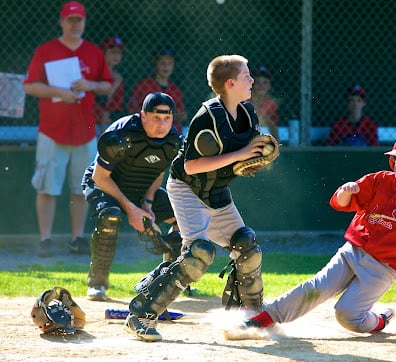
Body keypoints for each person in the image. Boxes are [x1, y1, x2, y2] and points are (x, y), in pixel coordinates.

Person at [242, 132, 396, 334]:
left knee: (346, 315)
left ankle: (380, 320)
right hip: (352, 252)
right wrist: (346, 191)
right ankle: (265, 318)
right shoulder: (379, 180)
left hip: (383, 269)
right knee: (317, 287)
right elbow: (341, 203)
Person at [124, 54, 268, 342]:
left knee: (246, 246)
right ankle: (140, 315)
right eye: (246, 76)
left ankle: (246, 317)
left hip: (216, 191)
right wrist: (240, 155)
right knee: (198, 253)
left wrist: (255, 159)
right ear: (230, 83)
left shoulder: (247, 113)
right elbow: (191, 166)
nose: (251, 80)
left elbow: (240, 159)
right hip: (187, 188)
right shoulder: (209, 116)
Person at [23, 1, 113, 258]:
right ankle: (46, 239)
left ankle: (77, 238)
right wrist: (59, 92)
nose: (75, 25)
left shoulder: (94, 52)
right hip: (52, 130)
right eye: (70, 20)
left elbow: (107, 85)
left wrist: (90, 84)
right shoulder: (46, 50)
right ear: (61, 22)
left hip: (84, 131)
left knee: (81, 187)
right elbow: (30, 86)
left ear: (84, 23)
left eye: (79, 20)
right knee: (47, 186)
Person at [81, 92, 182, 301]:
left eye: (167, 118)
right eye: (156, 118)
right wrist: (132, 210)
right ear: (143, 116)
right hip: (103, 185)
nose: (162, 125)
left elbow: (158, 171)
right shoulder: (123, 133)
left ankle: (170, 283)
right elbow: (100, 176)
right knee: (111, 215)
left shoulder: (172, 140)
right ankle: (97, 284)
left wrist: (147, 204)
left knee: (183, 218)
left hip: (139, 190)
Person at [127, 46, 186, 134]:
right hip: (146, 132)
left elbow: (182, 115)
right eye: (162, 63)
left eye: (169, 63)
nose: (166, 66)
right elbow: (131, 110)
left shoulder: (175, 89)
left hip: (171, 133)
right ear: (155, 64)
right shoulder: (143, 85)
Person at [94, 37, 126, 135]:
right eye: (113, 52)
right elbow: (101, 97)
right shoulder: (94, 73)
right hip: (89, 121)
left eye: (119, 53)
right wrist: (115, 83)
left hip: (105, 124)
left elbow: (108, 107)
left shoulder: (118, 78)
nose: (116, 56)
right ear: (103, 53)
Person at [250, 66, 279, 141]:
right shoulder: (243, 100)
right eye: (257, 82)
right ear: (252, 84)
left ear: (270, 85)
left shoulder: (271, 103)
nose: (261, 86)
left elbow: (273, 128)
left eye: (265, 82)